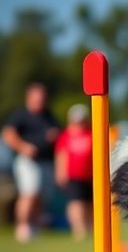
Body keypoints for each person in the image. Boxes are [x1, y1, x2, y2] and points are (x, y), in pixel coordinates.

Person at [2, 83, 59, 242]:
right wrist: (23, 147)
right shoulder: (21, 115)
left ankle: (34, 227)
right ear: (29, 97)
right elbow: (8, 134)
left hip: (46, 161)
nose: (40, 100)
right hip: (28, 161)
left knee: (40, 197)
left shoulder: (48, 116)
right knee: (29, 194)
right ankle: (22, 227)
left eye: (42, 97)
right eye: (37, 97)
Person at [54, 104, 92, 240]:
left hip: (90, 176)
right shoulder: (65, 136)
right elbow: (61, 155)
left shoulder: (91, 133)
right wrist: (60, 173)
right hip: (73, 176)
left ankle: (89, 229)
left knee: (88, 204)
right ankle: (79, 230)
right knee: (76, 203)